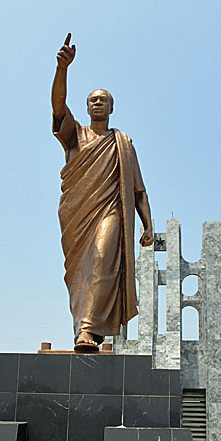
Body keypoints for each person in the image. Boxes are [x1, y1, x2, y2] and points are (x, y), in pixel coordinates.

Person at [52, 33, 154, 352]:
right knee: (79, 277)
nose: (98, 103)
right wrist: (62, 70)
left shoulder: (122, 143)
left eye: (103, 99)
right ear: (87, 107)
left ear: (111, 107)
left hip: (110, 211)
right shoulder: (76, 135)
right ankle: (83, 328)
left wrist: (148, 224)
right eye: (93, 99)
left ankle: (88, 331)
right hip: (76, 215)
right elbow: (57, 105)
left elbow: (137, 189)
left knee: (100, 261)